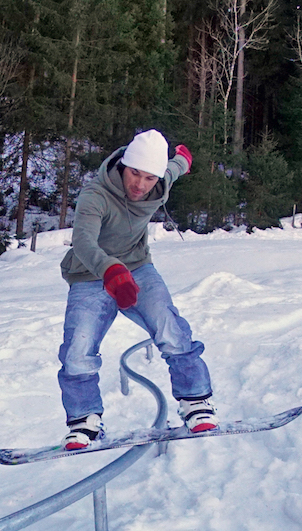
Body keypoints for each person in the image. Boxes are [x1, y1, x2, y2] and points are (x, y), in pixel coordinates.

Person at [57, 129, 216, 450]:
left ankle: (195, 400)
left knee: (170, 326)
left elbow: (174, 168)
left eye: (148, 178)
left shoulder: (161, 181)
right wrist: (110, 271)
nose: (139, 185)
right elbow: (83, 242)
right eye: (134, 174)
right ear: (123, 166)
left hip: (138, 267)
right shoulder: (96, 194)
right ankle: (84, 419)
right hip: (90, 274)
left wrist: (183, 159)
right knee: (79, 346)